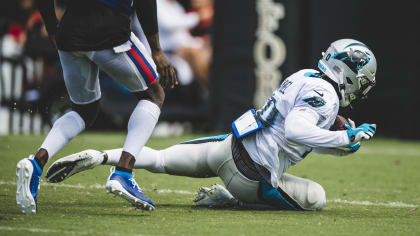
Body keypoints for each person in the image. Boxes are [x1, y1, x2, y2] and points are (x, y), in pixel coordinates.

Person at [45, 39, 377, 210]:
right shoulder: (326, 95)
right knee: (317, 198)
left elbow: (298, 132)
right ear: (348, 74)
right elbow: (296, 131)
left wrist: (342, 140)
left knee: (159, 159)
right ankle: (228, 198)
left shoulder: (304, 75)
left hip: (228, 148)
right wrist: (344, 137)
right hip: (251, 177)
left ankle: (100, 156)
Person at [16, 0, 177, 214]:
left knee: (84, 111)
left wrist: (52, 27)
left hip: (69, 32)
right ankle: (123, 173)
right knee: (154, 95)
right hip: (109, 34)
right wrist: (156, 50)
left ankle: (35, 164)